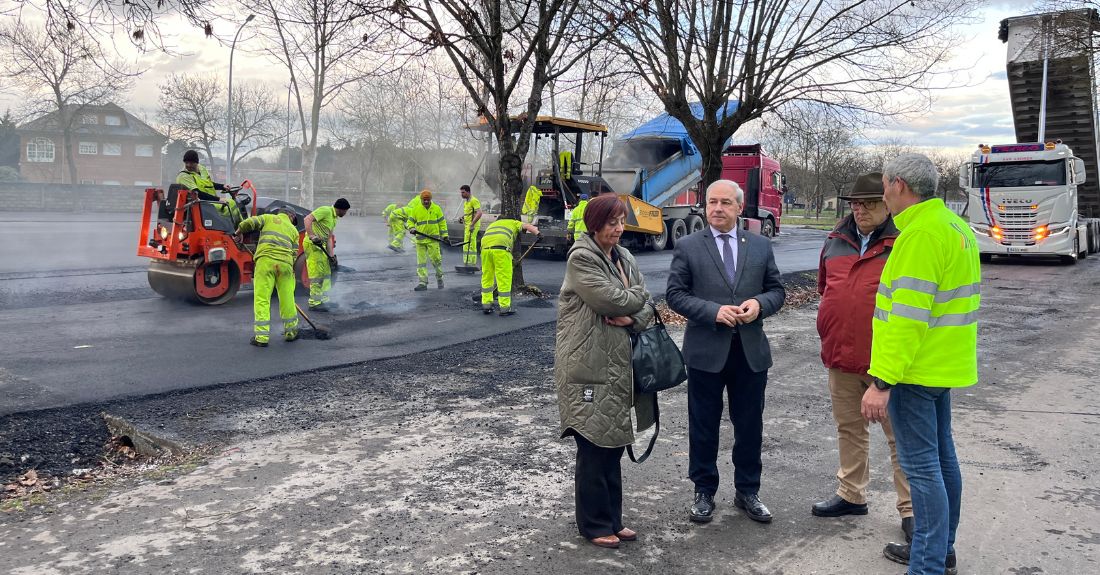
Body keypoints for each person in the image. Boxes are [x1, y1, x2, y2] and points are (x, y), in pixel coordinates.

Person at [863, 153, 980, 575]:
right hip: (942, 366)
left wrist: (882, 381)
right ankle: (941, 549)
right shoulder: (954, 227)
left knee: (923, 468)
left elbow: (906, 320)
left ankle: (927, 564)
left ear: (899, 185)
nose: (882, 194)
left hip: (915, 371)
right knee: (943, 459)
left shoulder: (920, 236)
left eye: (884, 185)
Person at [666, 179, 785, 524]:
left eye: (725, 203)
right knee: (703, 425)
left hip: (749, 353)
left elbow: (776, 290)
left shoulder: (760, 246)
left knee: (749, 425)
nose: (717, 208)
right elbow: (676, 294)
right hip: (706, 351)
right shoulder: (688, 245)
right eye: (711, 202)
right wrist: (712, 312)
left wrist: (759, 304)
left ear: (738, 206)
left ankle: (748, 490)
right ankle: (703, 490)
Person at [812, 173, 913, 542]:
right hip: (840, 355)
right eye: (855, 203)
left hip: (885, 362)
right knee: (849, 429)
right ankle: (851, 494)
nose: (860, 210)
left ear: (887, 203)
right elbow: (826, 290)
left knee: (900, 439)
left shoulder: (902, 242)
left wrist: (889, 369)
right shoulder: (835, 241)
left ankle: (911, 510)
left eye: (868, 203)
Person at [554, 193, 655, 549]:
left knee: (613, 442)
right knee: (594, 445)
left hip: (616, 368)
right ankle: (594, 525)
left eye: (621, 221)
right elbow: (608, 300)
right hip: (587, 367)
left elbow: (645, 305)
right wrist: (635, 301)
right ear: (594, 224)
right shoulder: (582, 258)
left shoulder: (623, 257)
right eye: (611, 222)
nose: (618, 228)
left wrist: (633, 314)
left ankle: (613, 518)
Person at [234, 207, 300, 347]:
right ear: (291, 216)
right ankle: (291, 332)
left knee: (262, 299)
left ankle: (262, 337)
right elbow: (294, 254)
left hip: (265, 263)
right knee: (288, 299)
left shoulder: (267, 218)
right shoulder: (294, 231)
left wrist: (239, 232)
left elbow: (250, 222)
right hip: (285, 265)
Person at [479, 218, 539, 316]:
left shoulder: (493, 224)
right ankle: (504, 308)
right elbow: (528, 226)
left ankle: (486, 305)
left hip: (485, 249)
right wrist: (538, 233)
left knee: (487, 277)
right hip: (501, 250)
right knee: (503, 278)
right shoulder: (514, 223)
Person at [303, 198, 350, 312]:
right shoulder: (325, 210)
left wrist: (331, 256)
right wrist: (312, 235)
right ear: (341, 209)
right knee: (317, 274)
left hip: (321, 246)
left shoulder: (334, 218)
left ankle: (323, 300)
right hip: (312, 245)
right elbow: (307, 219)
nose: (346, 213)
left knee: (326, 273)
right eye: (346, 211)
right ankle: (314, 303)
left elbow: (329, 238)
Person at [176, 149, 243, 226]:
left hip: (210, 202)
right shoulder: (184, 176)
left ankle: (236, 228)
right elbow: (198, 194)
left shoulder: (202, 169)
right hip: (200, 204)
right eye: (186, 163)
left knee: (230, 204)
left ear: (197, 163)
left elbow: (209, 184)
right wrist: (219, 199)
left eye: (191, 163)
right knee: (230, 203)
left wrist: (222, 186)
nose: (188, 165)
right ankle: (238, 229)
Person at [408, 189, 448, 291]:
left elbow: (442, 223)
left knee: (436, 261)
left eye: (428, 200)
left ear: (431, 199)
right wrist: (411, 228)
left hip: (433, 240)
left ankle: (440, 278)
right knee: (421, 262)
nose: (426, 202)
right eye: (424, 200)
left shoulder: (437, 209)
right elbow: (410, 221)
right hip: (420, 241)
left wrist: (445, 235)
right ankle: (423, 282)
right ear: (421, 199)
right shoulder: (416, 209)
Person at [459, 185, 483, 269]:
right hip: (468, 226)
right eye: (461, 192)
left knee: (471, 243)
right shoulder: (466, 201)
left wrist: (472, 224)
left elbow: (479, 213)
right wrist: (462, 217)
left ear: (468, 192)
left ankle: (471, 263)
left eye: (463, 192)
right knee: (466, 244)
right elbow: (469, 213)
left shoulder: (474, 200)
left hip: (473, 226)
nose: (461, 194)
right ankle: (466, 262)